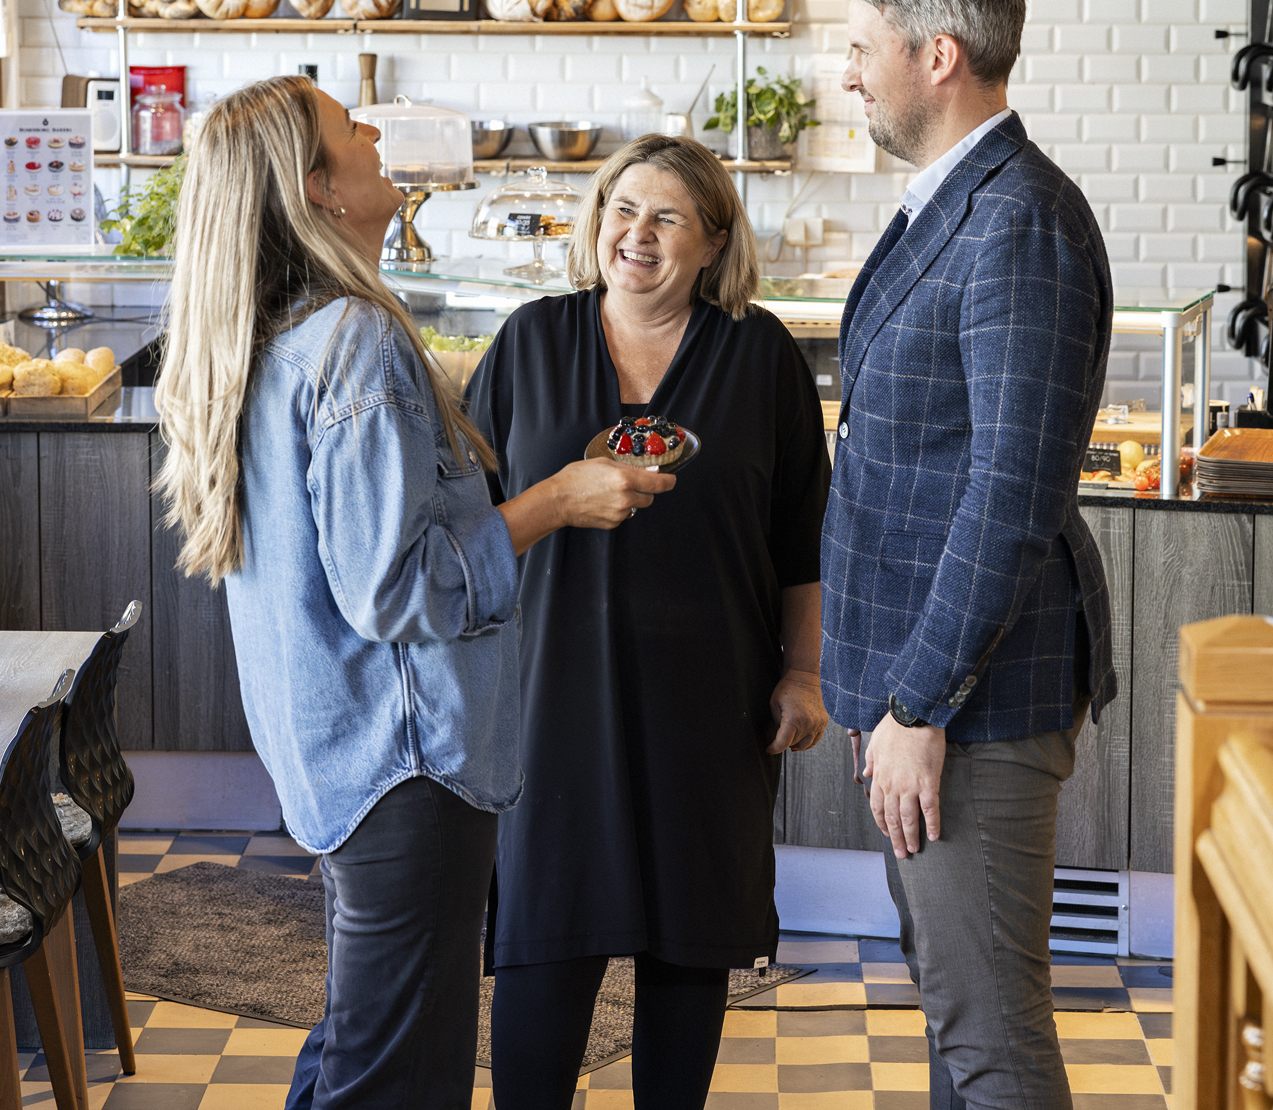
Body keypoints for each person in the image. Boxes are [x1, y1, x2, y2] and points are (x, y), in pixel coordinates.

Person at [153, 75, 675, 1110]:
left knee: (364, 1042)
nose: (378, 131)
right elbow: (399, 589)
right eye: (353, 128)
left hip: (339, 756)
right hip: (410, 767)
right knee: (401, 1076)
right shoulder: (354, 341)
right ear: (317, 189)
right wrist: (552, 500)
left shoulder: (273, 338)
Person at [464, 134, 832, 1109]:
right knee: (539, 970)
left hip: (708, 720)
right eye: (623, 207)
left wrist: (804, 674)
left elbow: (805, 543)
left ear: (713, 240)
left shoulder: (761, 360)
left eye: (667, 215)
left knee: (686, 967)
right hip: (549, 712)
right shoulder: (530, 343)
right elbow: (465, 527)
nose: (637, 232)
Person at [822, 0, 1117, 1109]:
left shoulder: (1017, 218)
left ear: (936, 53)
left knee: (991, 1036)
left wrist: (916, 701)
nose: (848, 74)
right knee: (958, 1017)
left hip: (972, 702)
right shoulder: (955, 200)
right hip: (926, 689)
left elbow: (1010, 495)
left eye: (859, 48)